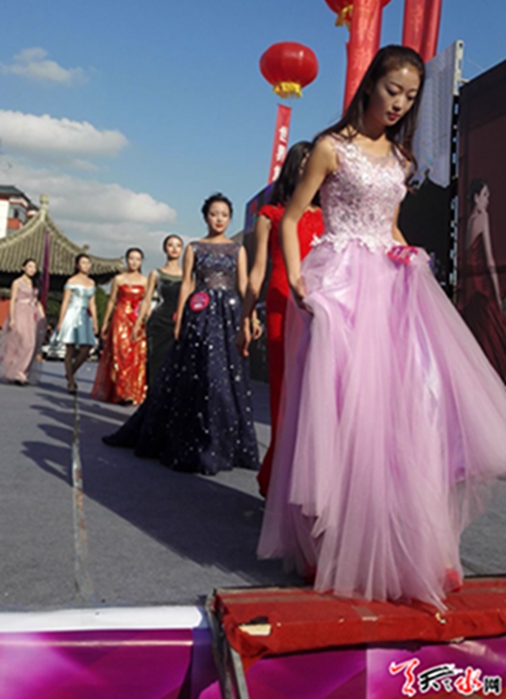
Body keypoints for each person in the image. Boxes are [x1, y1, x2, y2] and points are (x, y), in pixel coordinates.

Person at [258, 45, 506, 610]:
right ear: (371, 83)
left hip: (391, 285)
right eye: (393, 89)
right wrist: (299, 282)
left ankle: (409, 543)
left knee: (404, 413)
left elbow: (389, 226)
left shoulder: (399, 158)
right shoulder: (330, 148)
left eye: (411, 96)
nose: (399, 103)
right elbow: (291, 219)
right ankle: (333, 543)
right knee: (344, 412)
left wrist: (410, 258)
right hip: (340, 283)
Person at [103, 193, 259, 476]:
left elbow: (245, 283)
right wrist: (180, 319)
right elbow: (187, 283)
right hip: (201, 314)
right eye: (214, 214)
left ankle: (223, 442)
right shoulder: (194, 248)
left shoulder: (238, 250)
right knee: (202, 374)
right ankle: (198, 439)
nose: (219, 219)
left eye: (224, 214)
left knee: (226, 378)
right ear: (205, 217)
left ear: (230, 218)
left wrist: (251, 316)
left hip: (229, 314)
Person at [238, 142, 324, 496]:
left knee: (318, 393)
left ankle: (314, 483)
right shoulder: (270, 215)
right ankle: (279, 480)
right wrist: (245, 318)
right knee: (285, 391)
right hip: (281, 303)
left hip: (320, 304)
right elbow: (257, 272)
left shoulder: (329, 216)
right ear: (293, 169)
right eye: (305, 165)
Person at [462, 179, 506, 380]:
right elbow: (489, 259)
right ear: (476, 197)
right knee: (495, 338)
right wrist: (497, 293)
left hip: (471, 287)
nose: (488, 200)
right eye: (485, 195)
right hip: (483, 287)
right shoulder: (482, 218)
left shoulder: (469, 221)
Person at [92, 248, 148, 405]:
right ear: (127, 260)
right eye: (131, 258)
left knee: (135, 355)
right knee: (120, 354)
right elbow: (111, 301)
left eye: (137, 259)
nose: (134, 262)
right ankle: (121, 392)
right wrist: (105, 322)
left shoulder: (145, 281)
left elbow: (146, 302)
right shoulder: (118, 279)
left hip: (137, 319)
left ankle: (132, 391)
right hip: (120, 317)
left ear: (141, 262)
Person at [133, 234, 183, 385]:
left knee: (177, 363)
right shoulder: (156, 274)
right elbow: (146, 300)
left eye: (178, 245)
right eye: (170, 245)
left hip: (179, 322)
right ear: (164, 249)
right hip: (159, 323)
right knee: (156, 361)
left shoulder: (187, 275)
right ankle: (153, 395)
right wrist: (138, 323)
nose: (174, 249)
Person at [56, 253, 98, 395]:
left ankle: (70, 371)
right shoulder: (72, 281)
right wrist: (61, 321)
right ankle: (71, 382)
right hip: (72, 314)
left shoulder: (91, 282)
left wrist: (95, 322)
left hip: (85, 316)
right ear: (77, 265)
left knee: (86, 348)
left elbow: (92, 303)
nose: (86, 265)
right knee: (70, 348)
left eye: (88, 263)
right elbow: (65, 301)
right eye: (83, 263)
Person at [0, 259, 45, 384]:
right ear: (23, 267)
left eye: (34, 267)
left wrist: (43, 317)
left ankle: (22, 371)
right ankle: (14, 371)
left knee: (31, 344)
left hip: (31, 315)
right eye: (29, 266)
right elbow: (13, 300)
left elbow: (37, 301)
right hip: (19, 312)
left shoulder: (35, 283)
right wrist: (12, 318)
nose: (32, 269)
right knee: (17, 343)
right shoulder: (17, 282)